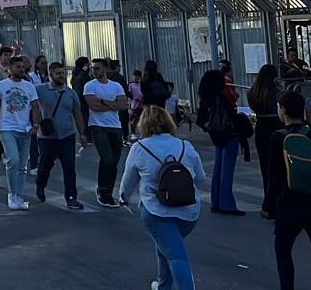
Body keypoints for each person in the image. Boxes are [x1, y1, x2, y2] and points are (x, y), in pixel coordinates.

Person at [120, 105, 206, 290]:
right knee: (167, 246)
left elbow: (128, 182)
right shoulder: (185, 146)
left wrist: (123, 199)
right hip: (189, 211)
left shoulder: (140, 148)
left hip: (157, 212)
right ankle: (163, 285)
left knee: (176, 255)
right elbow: (200, 178)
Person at [263, 90, 311, 290]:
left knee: (283, 252)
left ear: (283, 110)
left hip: (288, 204)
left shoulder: (278, 138)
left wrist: (268, 206)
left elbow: (274, 177)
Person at [0, 55, 41, 211]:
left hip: (24, 129)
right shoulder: (1, 86)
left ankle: (18, 195)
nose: (21, 69)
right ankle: (12, 194)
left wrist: (35, 125)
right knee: (13, 160)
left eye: (23, 67)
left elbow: (35, 106)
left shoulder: (29, 86)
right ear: (10, 69)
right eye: (18, 67)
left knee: (22, 165)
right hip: (6, 128)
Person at [35, 61, 87, 209]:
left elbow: (77, 114)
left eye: (63, 73)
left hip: (67, 136)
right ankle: (40, 185)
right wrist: (34, 123)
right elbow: (31, 105)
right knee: (45, 165)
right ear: (51, 74)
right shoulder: (39, 90)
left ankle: (71, 197)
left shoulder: (71, 93)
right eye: (58, 73)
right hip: (47, 137)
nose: (61, 76)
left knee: (69, 168)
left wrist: (82, 134)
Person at [196, 69, 243, 216]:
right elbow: (231, 116)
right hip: (229, 134)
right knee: (227, 171)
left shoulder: (206, 98)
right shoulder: (221, 98)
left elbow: (200, 120)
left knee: (218, 170)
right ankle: (227, 204)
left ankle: (216, 201)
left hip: (216, 135)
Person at [83, 57, 129, 207]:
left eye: (97, 68)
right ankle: (102, 190)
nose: (94, 71)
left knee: (114, 161)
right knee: (107, 158)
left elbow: (123, 105)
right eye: (93, 68)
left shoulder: (116, 86)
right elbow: (94, 106)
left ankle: (108, 191)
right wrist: (112, 104)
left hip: (115, 126)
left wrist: (104, 101)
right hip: (97, 126)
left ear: (105, 69)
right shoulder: (90, 86)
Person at [249, 63, 285, 217]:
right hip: (276, 125)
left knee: (265, 166)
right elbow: (283, 104)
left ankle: (268, 202)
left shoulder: (254, 92)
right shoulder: (277, 91)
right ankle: (280, 201)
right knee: (280, 166)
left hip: (261, 126)